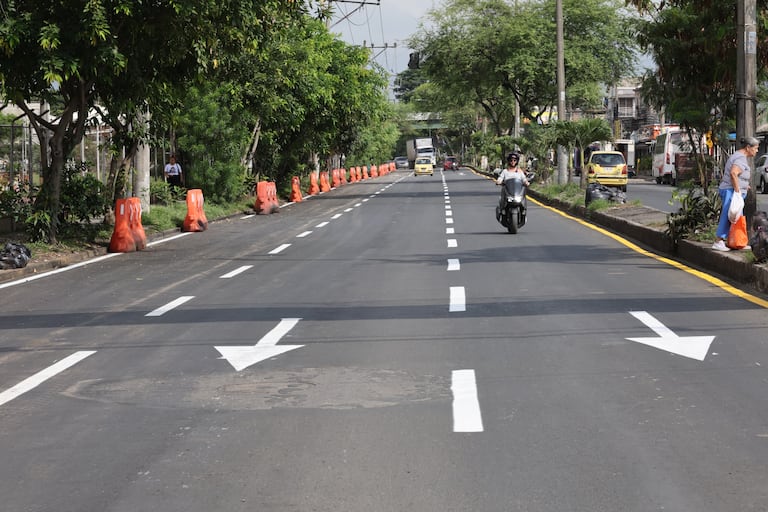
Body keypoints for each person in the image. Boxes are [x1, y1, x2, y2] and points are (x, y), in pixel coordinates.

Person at [712, 136, 760, 252]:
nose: (757, 151)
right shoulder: (740, 158)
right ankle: (719, 240)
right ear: (748, 148)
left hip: (732, 190)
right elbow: (734, 173)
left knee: (736, 217)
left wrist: (744, 185)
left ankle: (738, 241)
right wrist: (738, 190)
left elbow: (738, 176)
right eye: (756, 148)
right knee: (729, 215)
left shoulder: (739, 156)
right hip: (731, 191)